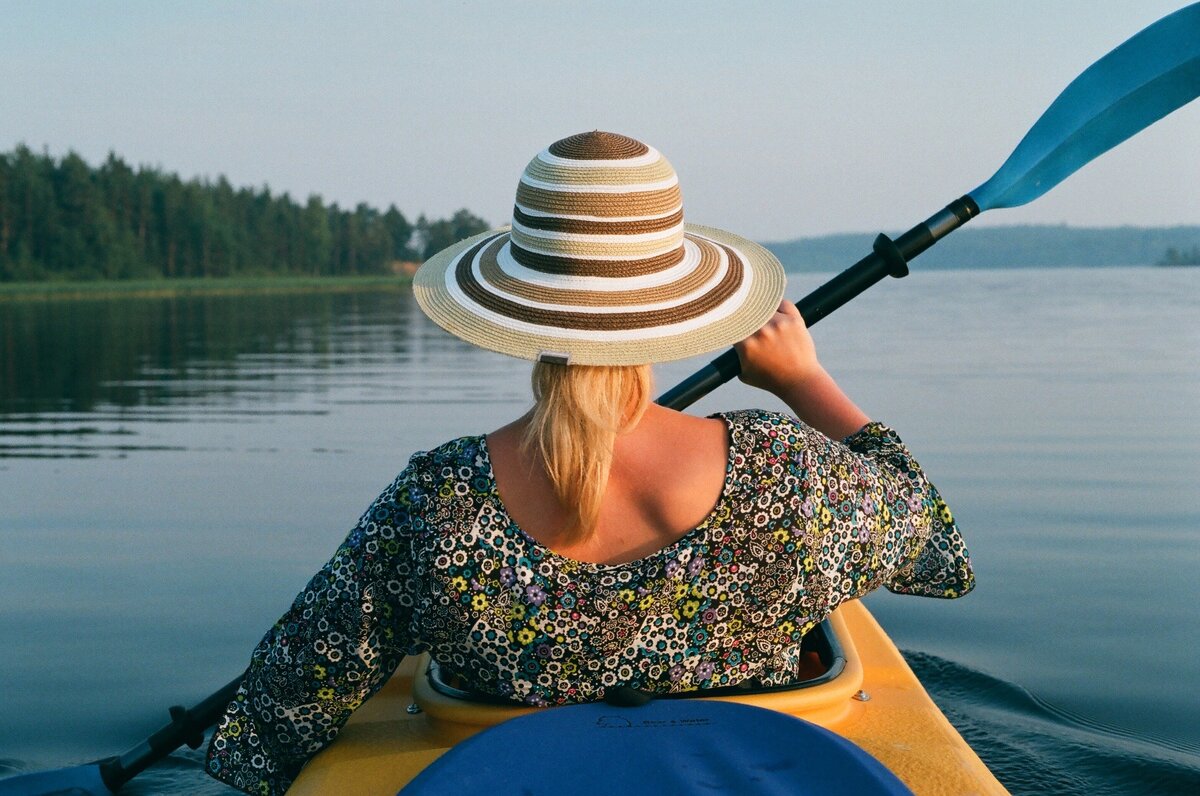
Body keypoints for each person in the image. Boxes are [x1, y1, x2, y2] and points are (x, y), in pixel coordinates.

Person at [205, 131, 974, 794]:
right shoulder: (790, 474)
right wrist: (806, 383)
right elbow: (939, 548)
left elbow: (280, 710)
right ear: (678, 306)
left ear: (518, 306)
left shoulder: (437, 500)